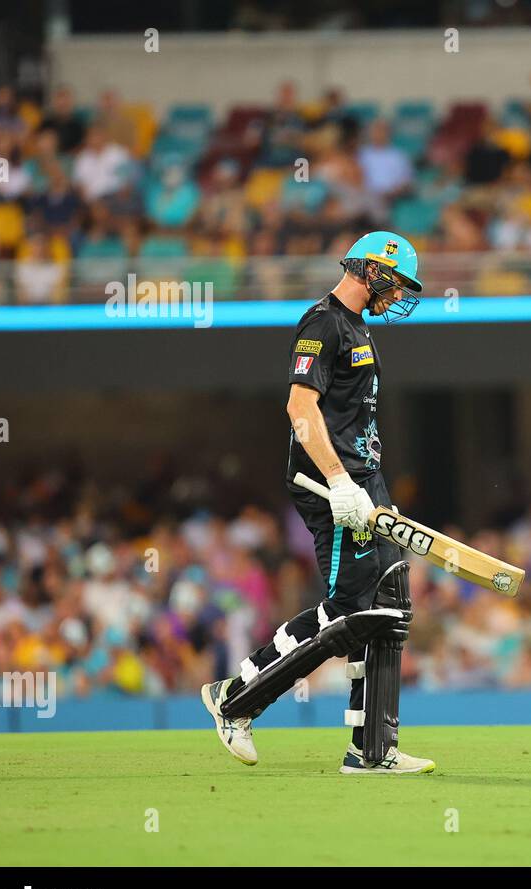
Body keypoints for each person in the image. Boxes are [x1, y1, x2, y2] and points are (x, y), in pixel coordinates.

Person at [201, 231, 435, 775]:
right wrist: (341, 484)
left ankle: (372, 750)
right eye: (396, 281)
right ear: (372, 271)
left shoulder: (359, 328)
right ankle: (235, 697)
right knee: (351, 608)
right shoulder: (323, 322)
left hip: (362, 482)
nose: (400, 293)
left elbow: (356, 424)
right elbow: (299, 408)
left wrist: (375, 494)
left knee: (390, 607)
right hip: (329, 486)